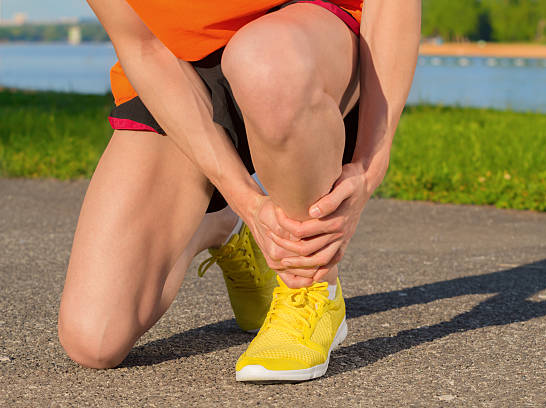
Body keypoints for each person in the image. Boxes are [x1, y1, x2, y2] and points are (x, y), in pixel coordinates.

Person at [58, 0, 421, 382]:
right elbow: (143, 45)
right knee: (94, 338)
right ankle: (222, 226)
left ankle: (311, 288)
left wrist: (369, 163)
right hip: (180, 71)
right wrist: (245, 201)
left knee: (262, 61)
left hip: (309, 44)